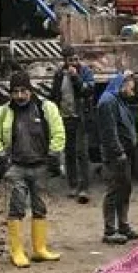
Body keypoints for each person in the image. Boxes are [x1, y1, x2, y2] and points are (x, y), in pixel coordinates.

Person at [0, 70, 66, 268]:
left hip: (40, 166)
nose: (20, 96)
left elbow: (58, 132)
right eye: (15, 92)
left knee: (40, 207)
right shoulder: (4, 112)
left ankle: (39, 249)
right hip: (16, 168)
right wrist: (2, 160)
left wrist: (53, 155)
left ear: (30, 90)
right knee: (16, 208)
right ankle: (17, 251)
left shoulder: (46, 108)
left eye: (24, 91)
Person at [96, 72, 138, 245]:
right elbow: (109, 132)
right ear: (122, 84)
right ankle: (110, 230)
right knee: (114, 191)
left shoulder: (117, 100)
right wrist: (118, 152)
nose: (132, 90)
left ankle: (123, 226)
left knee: (124, 189)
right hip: (115, 156)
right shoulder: (108, 102)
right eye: (131, 86)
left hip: (123, 155)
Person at [51, 48, 95, 205]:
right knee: (69, 152)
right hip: (65, 117)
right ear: (65, 60)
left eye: (76, 59)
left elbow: (87, 91)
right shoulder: (58, 74)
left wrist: (76, 78)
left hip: (80, 117)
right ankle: (73, 185)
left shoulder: (86, 72)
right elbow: (55, 94)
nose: (74, 63)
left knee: (82, 152)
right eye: (70, 60)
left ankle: (84, 188)